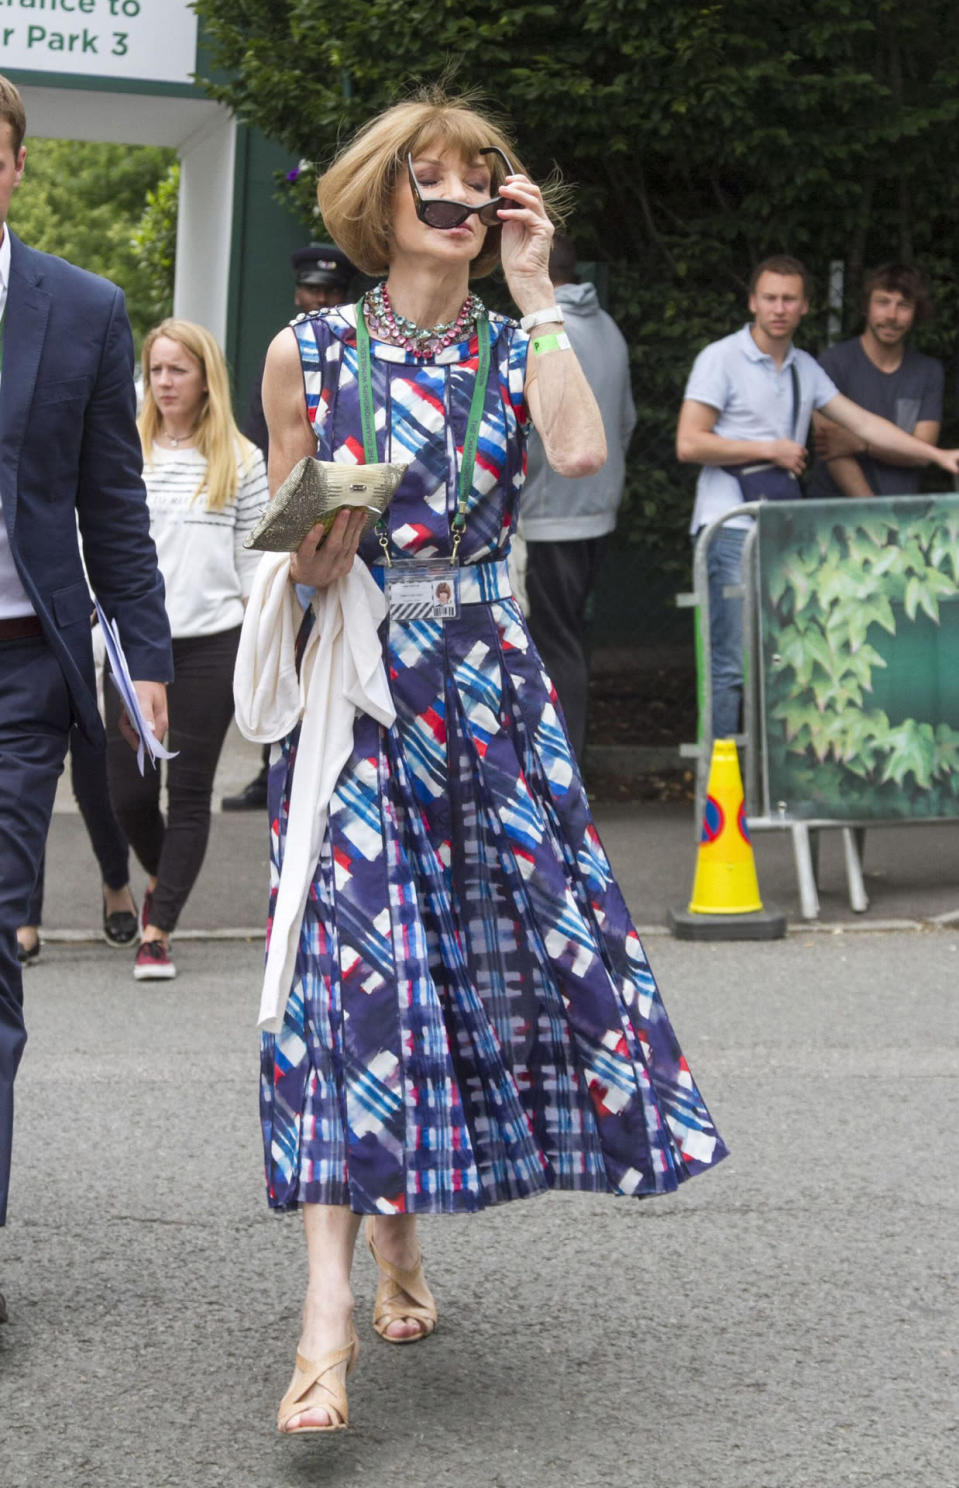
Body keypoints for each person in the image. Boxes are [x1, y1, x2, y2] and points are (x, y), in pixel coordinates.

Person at [244, 90, 728, 1436]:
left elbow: (578, 456)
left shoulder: (523, 347)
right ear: (379, 200)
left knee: (471, 967)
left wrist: (537, 283)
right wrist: (318, 540)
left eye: (479, 182)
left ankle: (401, 1237)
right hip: (355, 694)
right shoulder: (309, 350)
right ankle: (325, 1321)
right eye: (431, 181)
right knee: (352, 983)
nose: (455, 199)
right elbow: (281, 541)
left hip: (487, 688)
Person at [0, 74, 172, 1322]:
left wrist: (148, 662)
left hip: (19, 672)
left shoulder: (83, 310)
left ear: (13, 166)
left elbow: (114, 507)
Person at [676, 254, 959, 739]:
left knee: (780, 663)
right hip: (729, 530)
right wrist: (771, 449)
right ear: (752, 302)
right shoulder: (719, 358)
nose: (779, 308)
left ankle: (766, 799)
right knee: (730, 668)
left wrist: (940, 457)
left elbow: (866, 426)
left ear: (806, 306)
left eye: (789, 299)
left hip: (781, 530)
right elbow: (689, 442)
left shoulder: (804, 367)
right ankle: (720, 801)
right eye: (770, 298)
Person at [105, 320, 268, 982]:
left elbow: (256, 564)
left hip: (209, 647)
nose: (164, 382)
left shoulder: (241, 459)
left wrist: (264, 640)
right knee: (129, 795)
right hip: (129, 648)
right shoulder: (122, 449)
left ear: (206, 379)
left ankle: (158, 928)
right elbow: (102, 548)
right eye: (155, 370)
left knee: (191, 789)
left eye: (177, 370)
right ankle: (163, 879)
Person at [224, 243, 356, 813]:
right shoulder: (287, 350)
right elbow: (262, 446)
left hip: (344, 519)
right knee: (285, 648)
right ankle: (272, 763)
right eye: (311, 290)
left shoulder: (350, 350)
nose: (318, 299)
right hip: (289, 520)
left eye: (328, 292)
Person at [519, 233, 635, 761]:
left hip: (549, 517)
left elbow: (537, 434)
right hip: (594, 511)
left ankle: (563, 768)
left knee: (554, 643)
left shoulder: (546, 336)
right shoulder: (607, 327)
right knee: (569, 638)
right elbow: (625, 422)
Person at [807, 263, 943, 499]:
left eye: (903, 306)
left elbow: (923, 453)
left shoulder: (928, 371)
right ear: (866, 307)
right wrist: (873, 512)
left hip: (903, 513)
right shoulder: (831, 363)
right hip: (831, 514)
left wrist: (861, 444)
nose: (891, 315)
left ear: (915, 313)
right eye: (882, 302)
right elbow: (832, 448)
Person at [16, 722, 139, 965]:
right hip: (31, 686)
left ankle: (116, 882)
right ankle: (23, 914)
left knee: (97, 789)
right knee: (25, 786)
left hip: (93, 685)